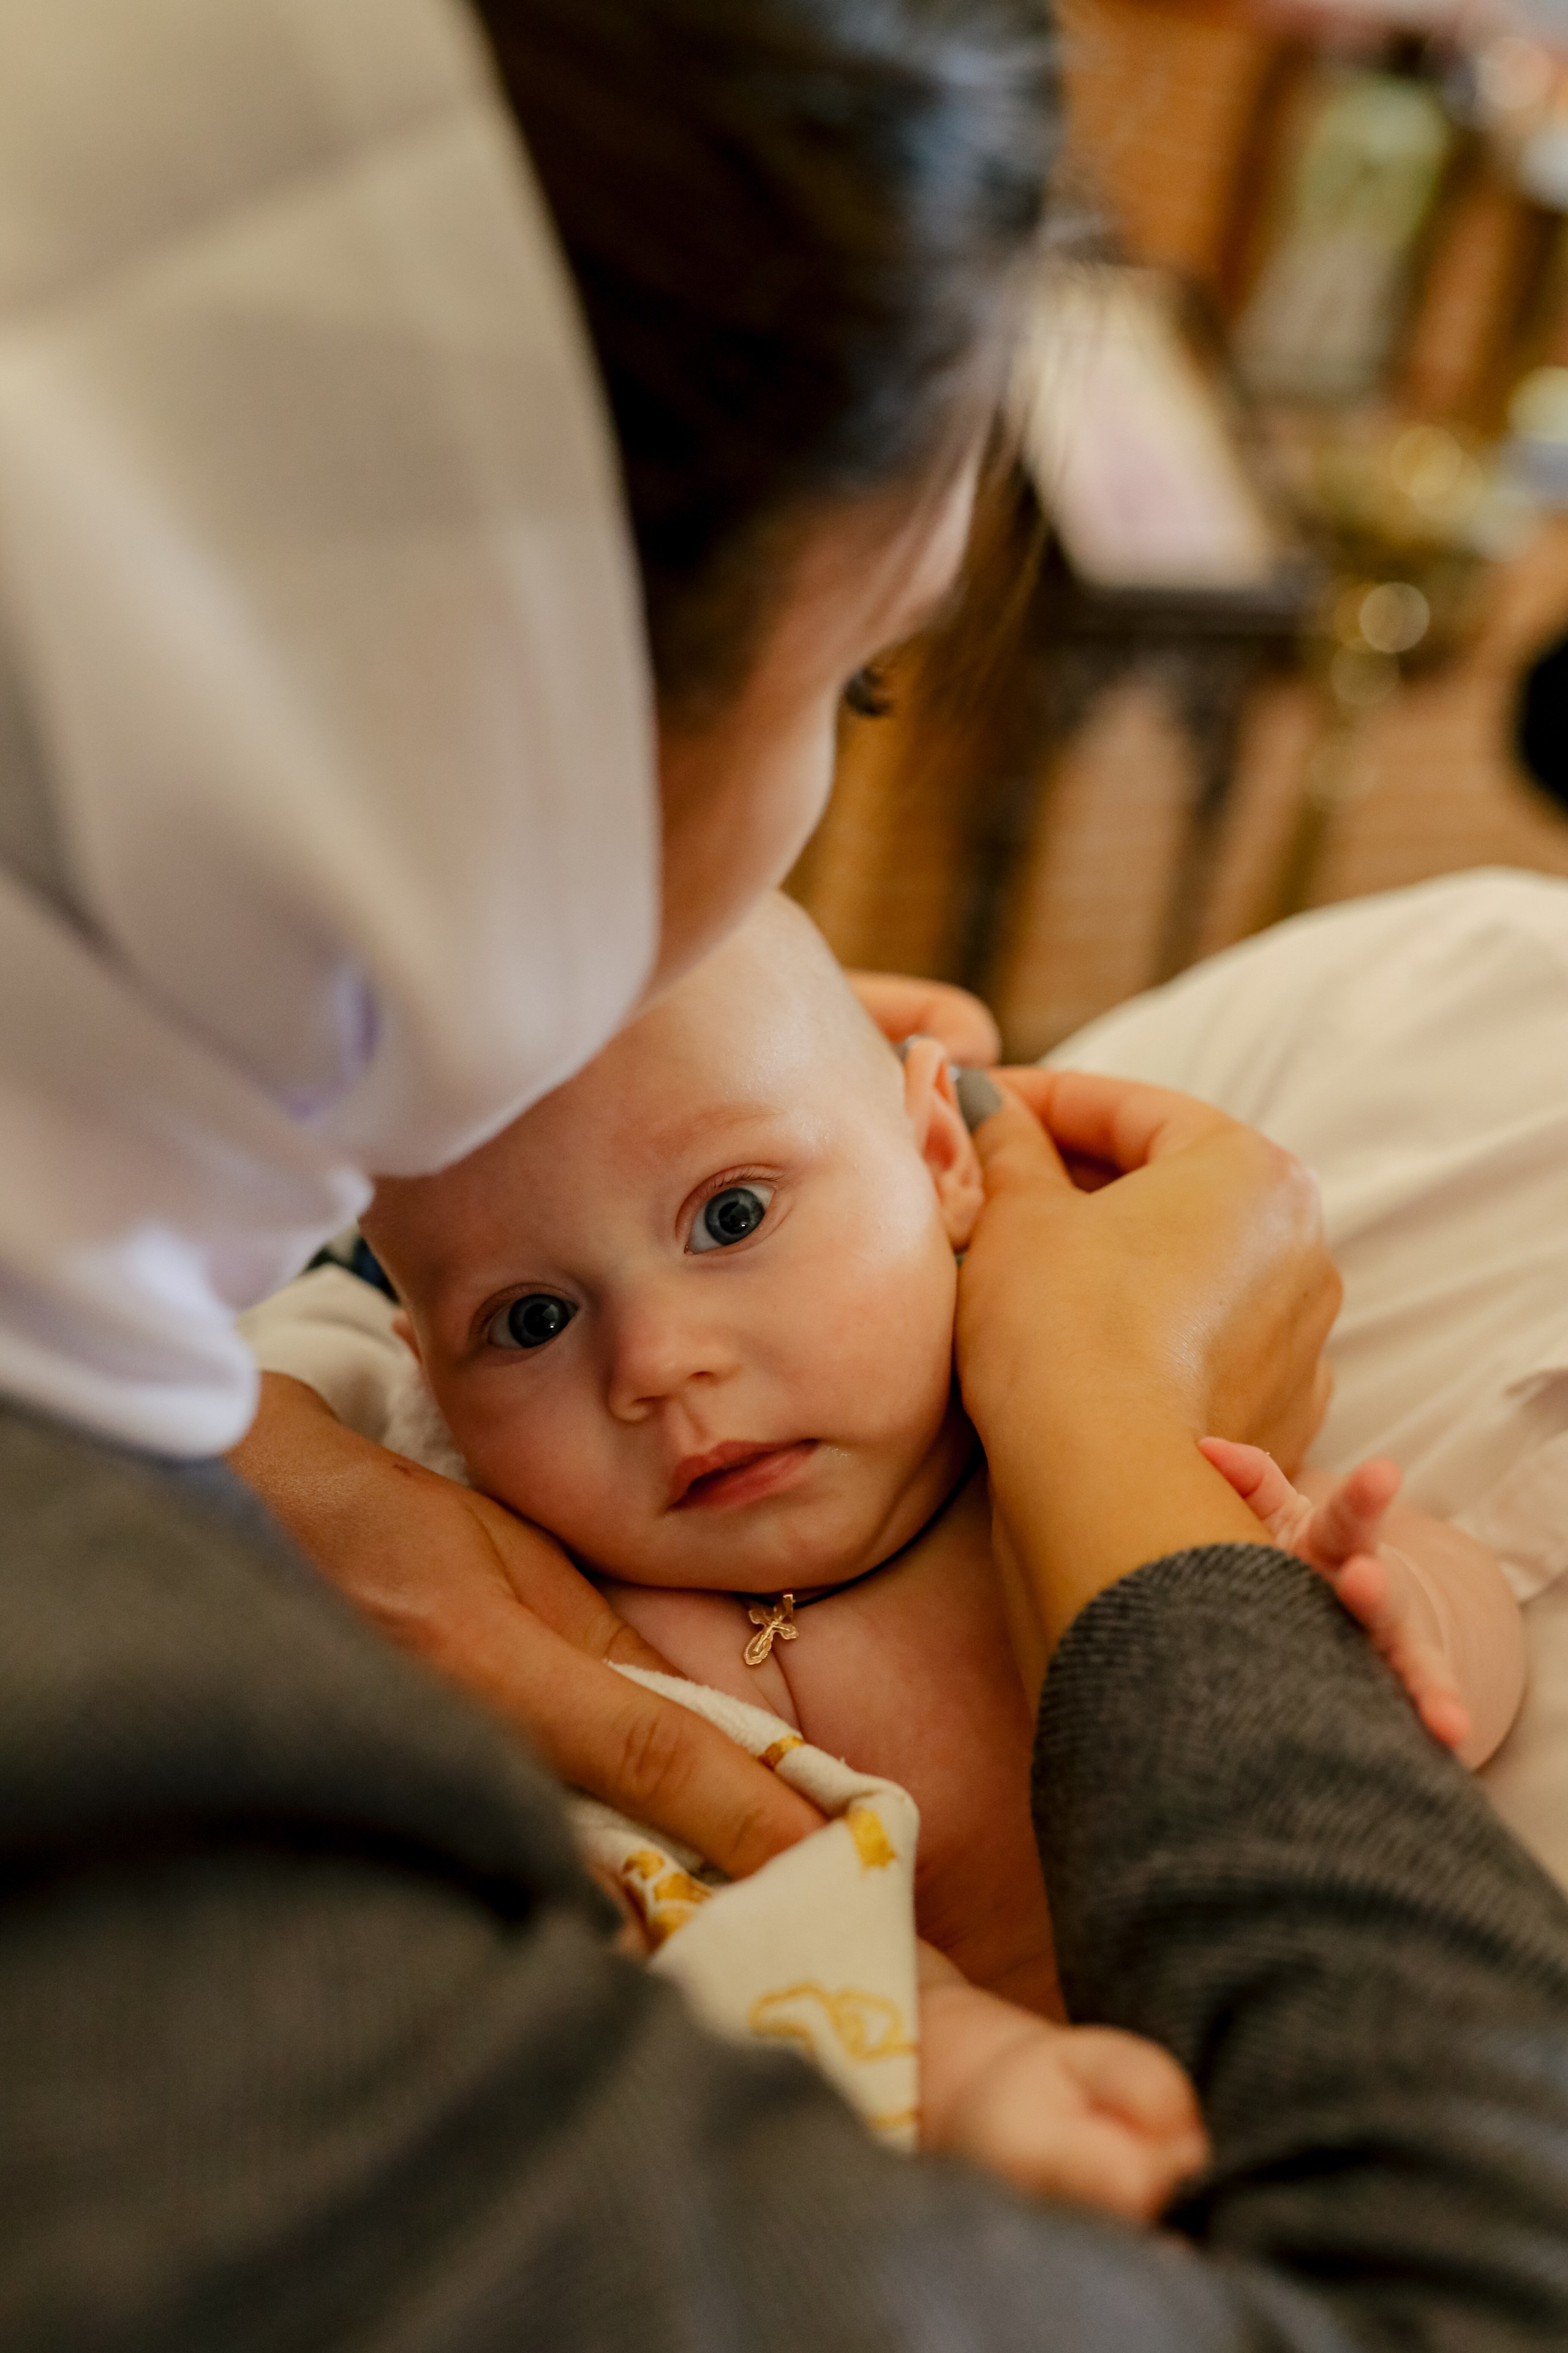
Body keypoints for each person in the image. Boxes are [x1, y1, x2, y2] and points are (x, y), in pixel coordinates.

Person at [9, 7, 1568, 2352]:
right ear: (492, 710)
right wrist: (1111, 1440)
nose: (659, 1361)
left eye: (737, 1209)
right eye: (855, 681)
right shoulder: (180, 1786)